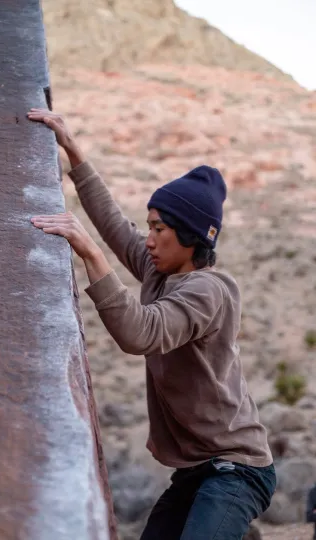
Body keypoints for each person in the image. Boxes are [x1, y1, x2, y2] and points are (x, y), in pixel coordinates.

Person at [27, 108, 276, 540]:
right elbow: (112, 224)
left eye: (158, 228)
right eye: (149, 226)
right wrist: (73, 151)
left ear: (193, 237)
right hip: (195, 471)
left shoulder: (208, 291)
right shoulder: (160, 271)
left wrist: (91, 256)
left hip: (236, 470)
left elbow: (140, 333)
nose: (147, 238)